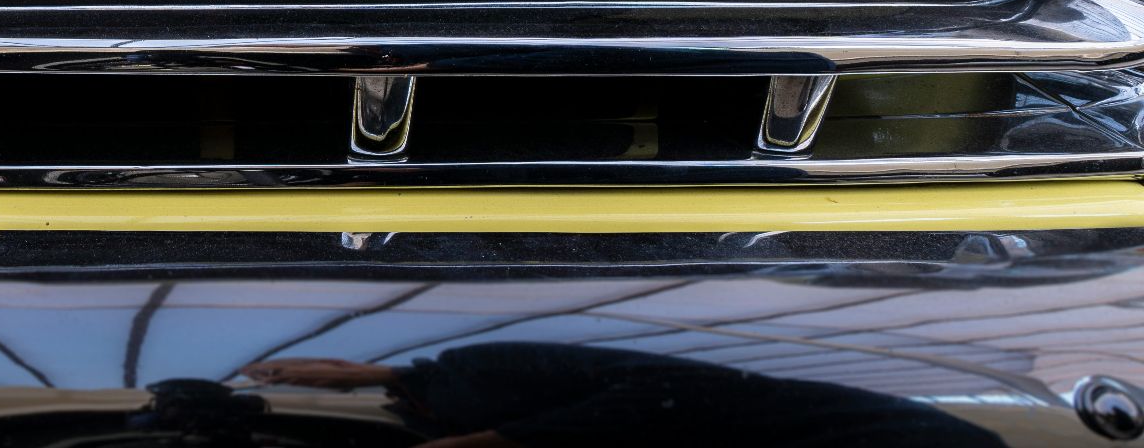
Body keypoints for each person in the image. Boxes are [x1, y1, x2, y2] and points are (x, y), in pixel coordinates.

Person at [241, 342, 1007, 447]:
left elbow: (675, 391)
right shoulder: (437, 391)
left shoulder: (472, 366)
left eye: (282, 371)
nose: (285, 378)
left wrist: (493, 443)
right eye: (277, 379)